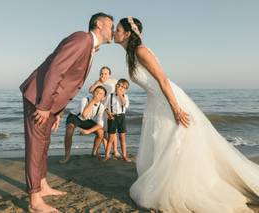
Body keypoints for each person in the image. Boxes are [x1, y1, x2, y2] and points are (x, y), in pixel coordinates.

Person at [114, 16, 259, 212]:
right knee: (163, 145)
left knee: (176, 144)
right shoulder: (131, 54)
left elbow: (163, 80)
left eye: (118, 30)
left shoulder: (140, 51)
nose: (115, 32)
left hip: (168, 100)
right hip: (156, 102)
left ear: (128, 34)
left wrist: (176, 109)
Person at [20, 12, 114, 212]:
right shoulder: (82, 38)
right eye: (110, 25)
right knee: (36, 146)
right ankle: (34, 201)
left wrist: (57, 111)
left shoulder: (90, 47)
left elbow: (68, 83)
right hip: (38, 98)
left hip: (50, 102)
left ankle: (42, 186)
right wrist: (44, 106)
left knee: (44, 144)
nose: (112, 30)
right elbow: (56, 70)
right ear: (98, 24)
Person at [59, 86, 107, 164]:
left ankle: (94, 152)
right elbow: (84, 115)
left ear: (103, 98)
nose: (98, 94)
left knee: (101, 132)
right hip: (75, 117)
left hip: (86, 120)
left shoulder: (101, 107)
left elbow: (100, 124)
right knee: (69, 130)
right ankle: (67, 156)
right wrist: (92, 102)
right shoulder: (85, 99)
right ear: (93, 93)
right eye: (96, 92)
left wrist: (88, 131)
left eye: (101, 93)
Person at [89, 66, 120, 157]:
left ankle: (115, 150)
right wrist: (98, 82)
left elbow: (122, 91)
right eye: (102, 73)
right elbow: (90, 90)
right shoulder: (98, 83)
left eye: (105, 73)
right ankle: (107, 150)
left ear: (109, 74)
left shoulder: (114, 81)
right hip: (101, 110)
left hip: (111, 110)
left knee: (112, 132)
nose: (103, 75)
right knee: (103, 131)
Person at [104, 79, 131, 162]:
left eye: (124, 87)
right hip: (112, 117)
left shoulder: (125, 97)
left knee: (122, 137)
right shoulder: (110, 96)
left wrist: (120, 95)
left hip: (121, 117)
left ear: (126, 90)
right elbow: (105, 107)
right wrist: (108, 113)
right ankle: (107, 155)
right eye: (119, 85)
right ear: (116, 86)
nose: (121, 88)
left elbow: (124, 104)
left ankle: (124, 156)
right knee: (111, 137)